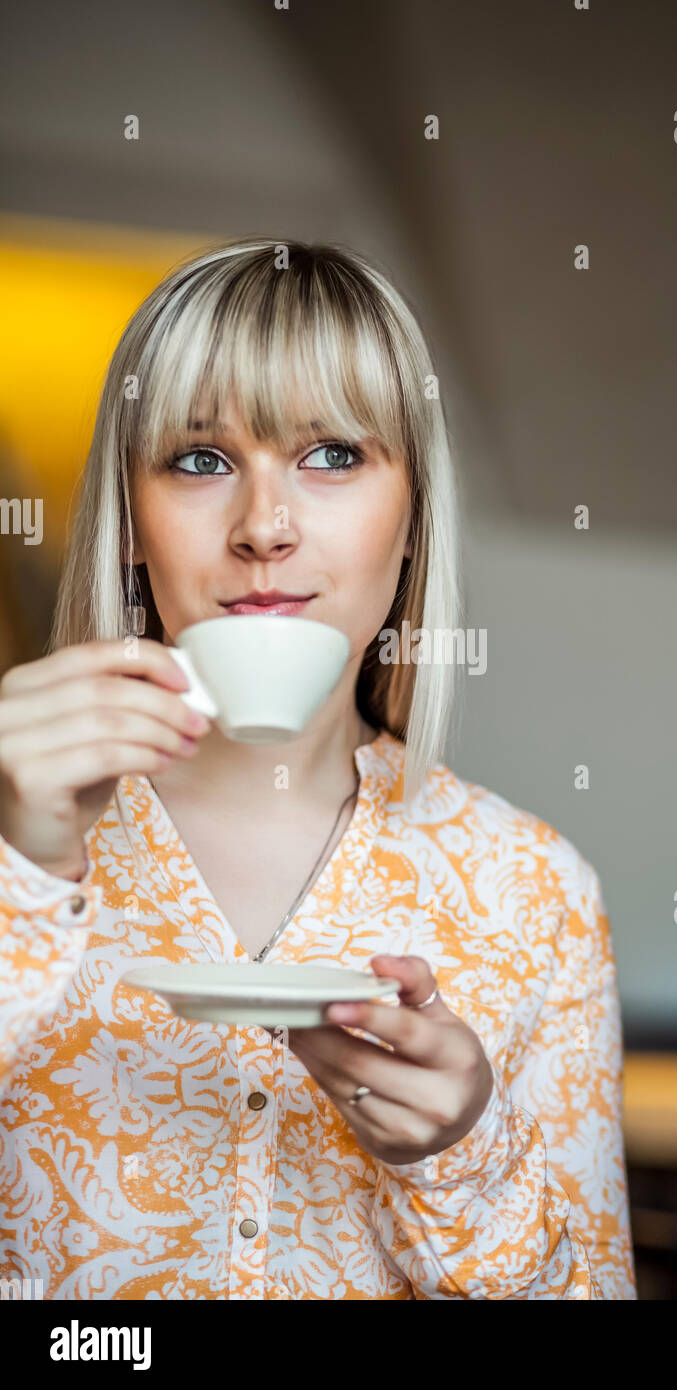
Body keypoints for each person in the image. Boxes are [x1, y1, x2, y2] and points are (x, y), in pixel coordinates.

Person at [0, 239, 636, 1299]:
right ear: (129, 524)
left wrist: (461, 1151)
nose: (264, 528)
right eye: (199, 460)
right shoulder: (9, 835)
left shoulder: (538, 894)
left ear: (411, 518)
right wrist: (19, 879)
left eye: (332, 453)